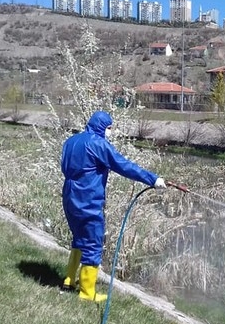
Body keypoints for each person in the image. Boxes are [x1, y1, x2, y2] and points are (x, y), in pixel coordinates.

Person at [60, 110, 167, 302]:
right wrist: (153, 179)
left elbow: (64, 166)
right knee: (93, 242)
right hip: (88, 199)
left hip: (69, 196)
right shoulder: (98, 144)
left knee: (78, 238)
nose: (110, 131)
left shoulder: (71, 141)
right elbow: (123, 165)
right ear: (102, 127)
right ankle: (87, 292)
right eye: (109, 128)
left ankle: (69, 280)